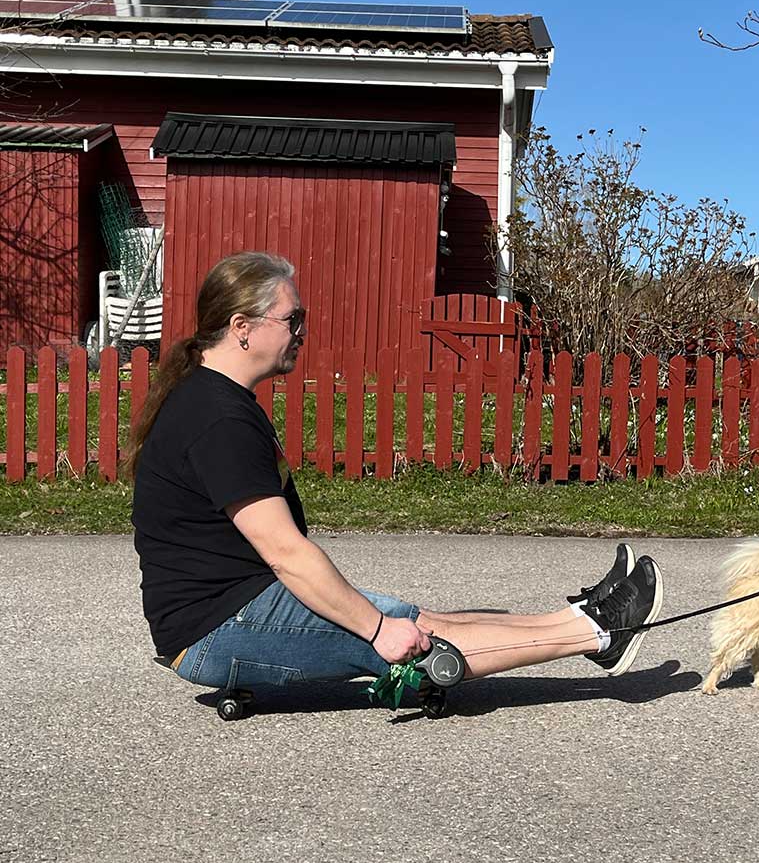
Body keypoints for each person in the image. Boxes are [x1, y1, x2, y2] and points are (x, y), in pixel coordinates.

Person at [128, 252, 663, 699]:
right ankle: (597, 632)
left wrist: (385, 619)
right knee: (420, 640)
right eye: (293, 319)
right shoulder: (216, 418)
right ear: (242, 328)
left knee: (416, 617)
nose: (302, 332)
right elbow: (286, 552)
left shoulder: (216, 399)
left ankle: (581, 619)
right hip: (217, 629)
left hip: (234, 604)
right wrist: (377, 631)